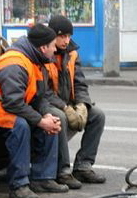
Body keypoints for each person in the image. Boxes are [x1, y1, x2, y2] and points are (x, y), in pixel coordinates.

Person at [0, 23, 67, 198]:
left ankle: (43, 178)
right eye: (52, 45)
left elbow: (38, 97)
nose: (55, 49)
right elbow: (13, 103)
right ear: (43, 47)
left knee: (51, 121)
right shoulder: (15, 63)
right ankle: (18, 185)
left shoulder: (37, 62)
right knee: (20, 125)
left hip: (3, 104)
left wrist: (46, 115)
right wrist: (40, 121)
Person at [45, 15, 106, 187]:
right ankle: (63, 171)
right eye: (62, 36)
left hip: (68, 103)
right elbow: (43, 92)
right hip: (49, 105)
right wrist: (64, 108)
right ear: (52, 36)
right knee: (61, 118)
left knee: (97, 116)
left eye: (69, 36)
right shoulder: (44, 53)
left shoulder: (72, 54)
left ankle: (83, 166)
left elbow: (80, 83)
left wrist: (82, 104)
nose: (66, 40)